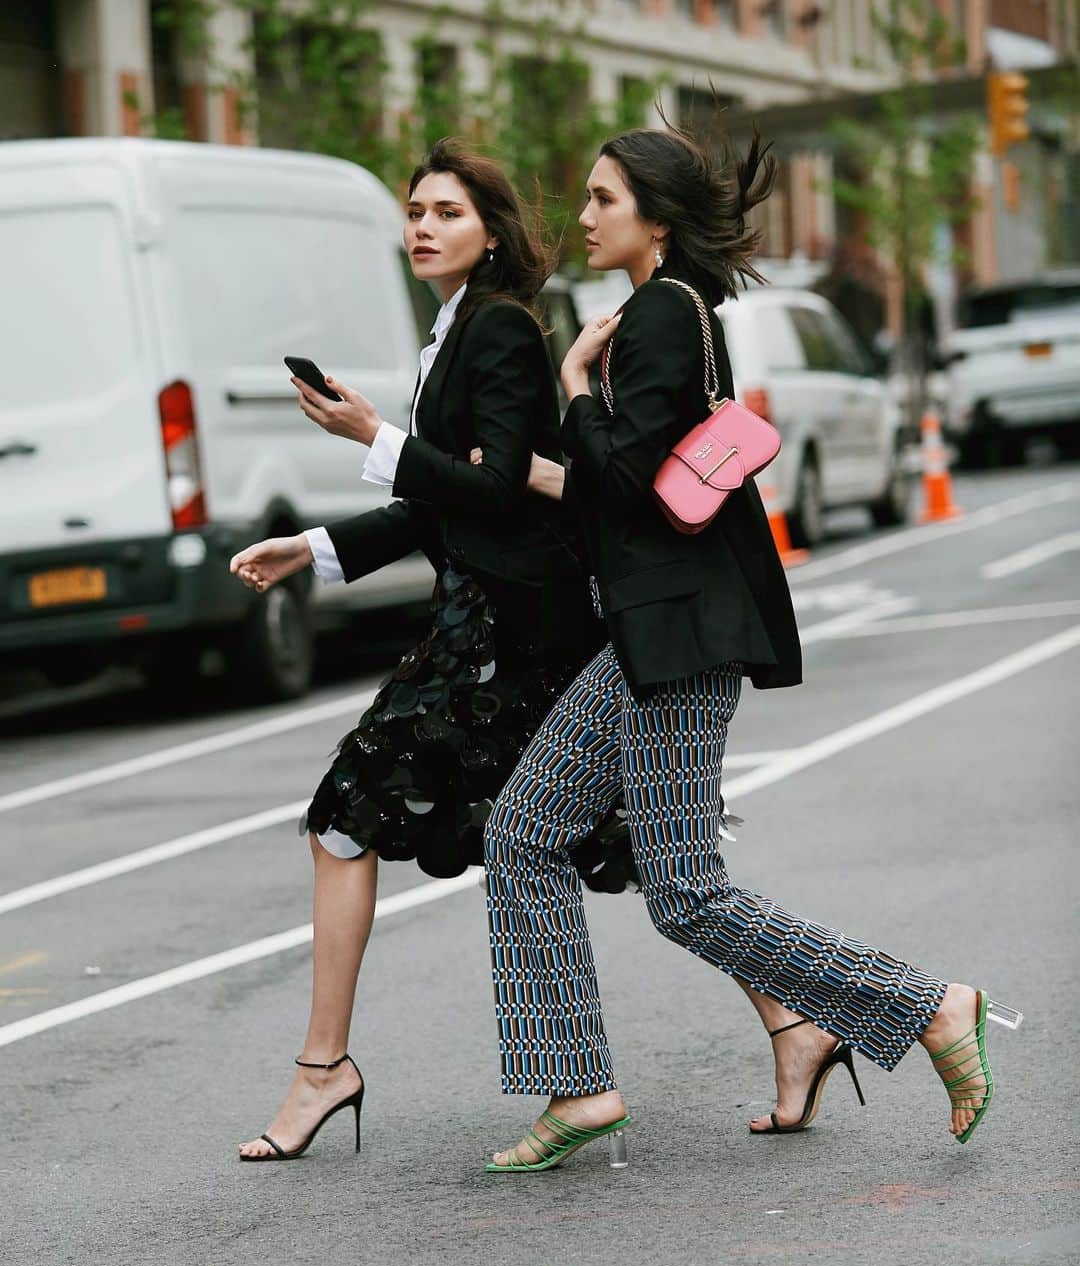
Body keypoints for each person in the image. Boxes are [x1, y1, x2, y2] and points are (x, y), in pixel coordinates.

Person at [479, 124, 1021, 1173]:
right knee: (523, 834)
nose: (583, 217)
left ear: (656, 218)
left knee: (685, 891)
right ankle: (579, 1087)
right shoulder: (663, 314)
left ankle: (931, 1005)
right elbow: (613, 497)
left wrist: (578, 391)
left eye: (601, 199)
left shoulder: (659, 320)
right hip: (650, 630)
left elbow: (630, 478)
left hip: (678, 636)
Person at [229, 139, 633, 1162]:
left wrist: (373, 435)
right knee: (632, 843)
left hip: (509, 634)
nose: (422, 226)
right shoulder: (456, 334)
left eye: (447, 211)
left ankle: (325, 1069)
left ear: (489, 234)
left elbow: (500, 489)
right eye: (414, 210)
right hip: (499, 625)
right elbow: (436, 497)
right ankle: (794, 1025)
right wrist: (313, 546)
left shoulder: (497, 332)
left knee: (344, 816)